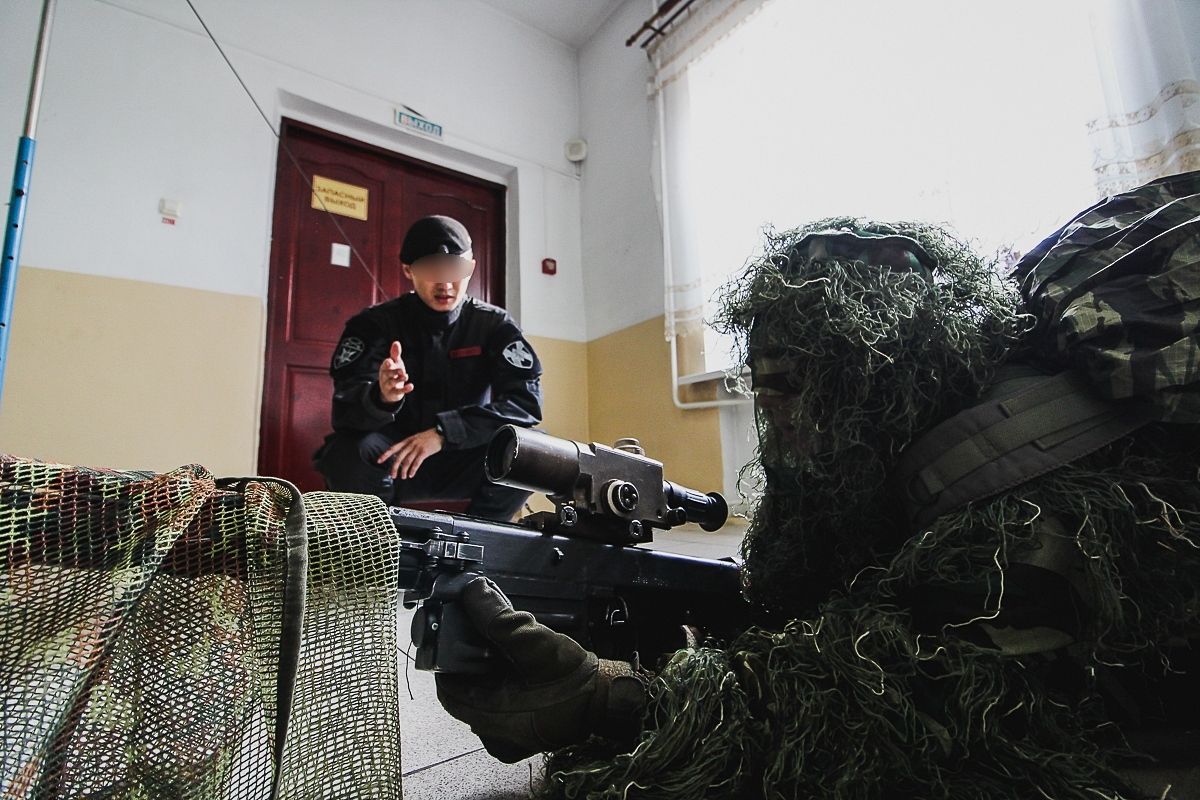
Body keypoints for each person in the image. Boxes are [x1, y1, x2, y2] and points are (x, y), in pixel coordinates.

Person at [314, 215, 541, 521]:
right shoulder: (374, 324)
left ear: (471, 267)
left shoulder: (493, 325)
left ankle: (480, 539)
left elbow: (524, 404)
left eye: (455, 269)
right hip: (395, 459)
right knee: (345, 451)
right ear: (408, 269)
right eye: (431, 269)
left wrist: (443, 433)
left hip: (466, 456)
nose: (445, 283)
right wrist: (382, 398)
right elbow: (344, 413)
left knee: (532, 451)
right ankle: (376, 542)